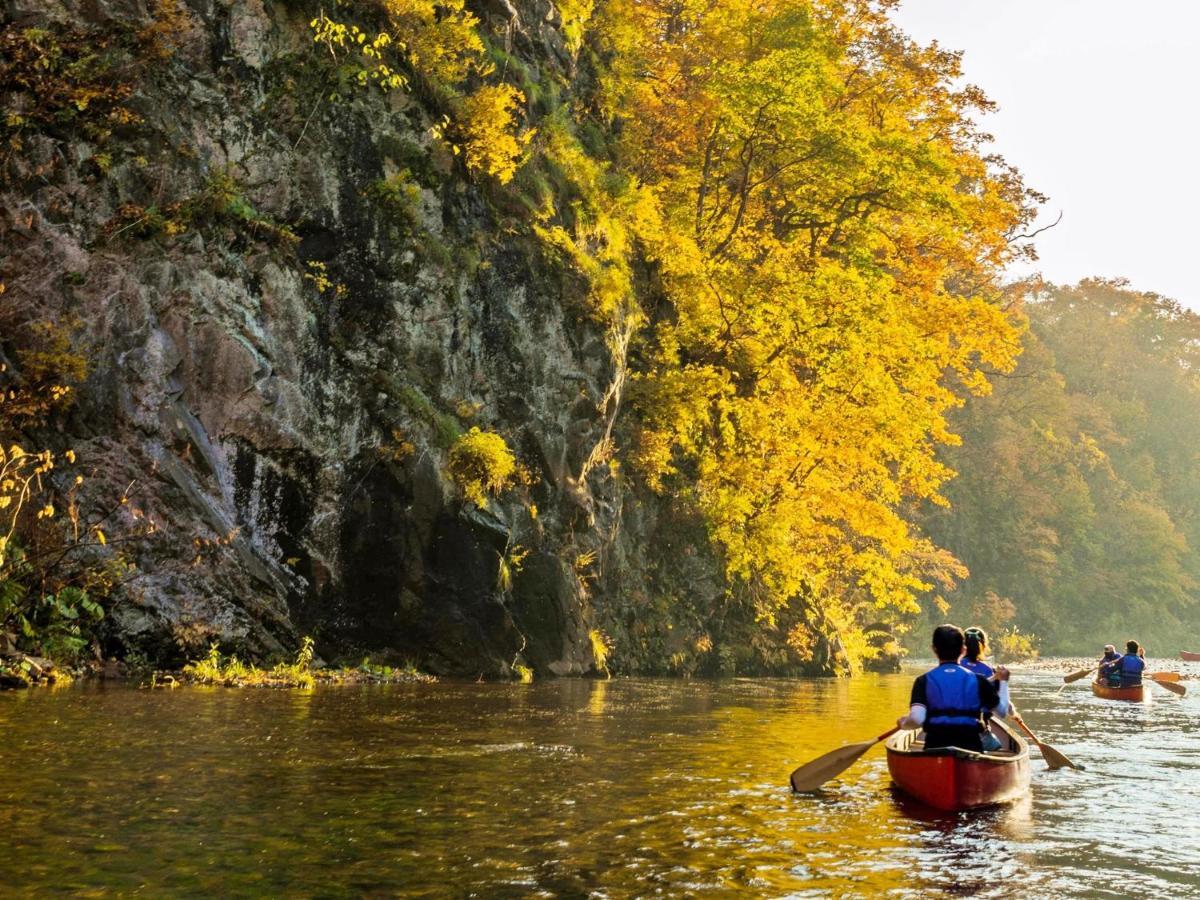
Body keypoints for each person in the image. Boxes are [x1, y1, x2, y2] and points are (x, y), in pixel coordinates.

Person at [897, 624, 1012, 753]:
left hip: (935, 747)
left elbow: (917, 719)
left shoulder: (923, 681)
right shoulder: (979, 680)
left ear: (934, 649)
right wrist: (1004, 682)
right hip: (970, 748)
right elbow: (1002, 712)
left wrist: (904, 724)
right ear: (963, 650)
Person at [961, 626, 1016, 750]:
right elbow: (1003, 709)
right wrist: (1014, 713)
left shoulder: (954, 665)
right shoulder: (989, 671)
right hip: (977, 732)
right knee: (996, 746)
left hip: (948, 731)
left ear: (963, 646)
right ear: (984, 647)